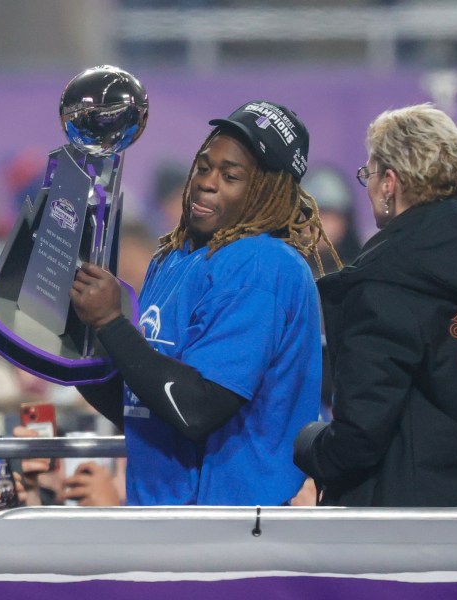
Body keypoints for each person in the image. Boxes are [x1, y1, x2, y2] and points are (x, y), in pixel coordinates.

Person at [69, 100, 337, 506]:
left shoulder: (263, 265)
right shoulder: (171, 258)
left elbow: (198, 409)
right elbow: (144, 406)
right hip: (165, 517)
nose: (206, 182)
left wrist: (111, 323)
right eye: (204, 166)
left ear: (267, 190)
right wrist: (76, 345)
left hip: (231, 528)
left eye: (231, 176)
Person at [293, 103, 457, 506]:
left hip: (410, 528)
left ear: (389, 183)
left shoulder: (382, 279)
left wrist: (307, 445)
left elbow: (359, 437)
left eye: (370, 174)